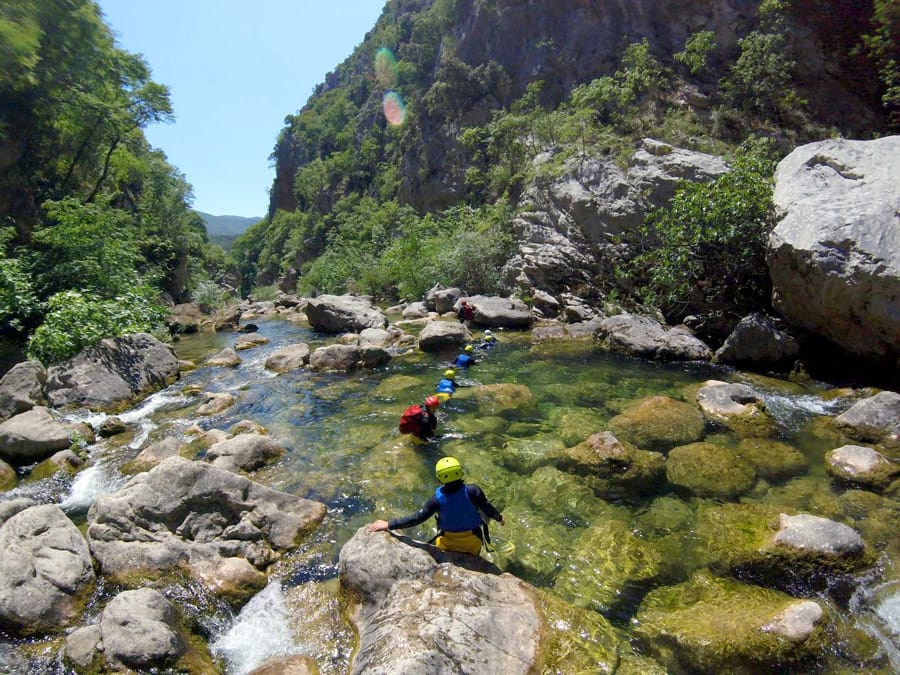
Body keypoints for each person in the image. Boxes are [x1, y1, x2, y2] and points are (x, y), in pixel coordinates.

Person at [367, 456, 504, 555]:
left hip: (447, 543)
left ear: (439, 478)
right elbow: (487, 508)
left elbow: (416, 518)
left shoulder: (436, 500)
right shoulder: (473, 491)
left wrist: (388, 524)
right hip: (473, 542)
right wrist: (499, 518)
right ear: (461, 473)